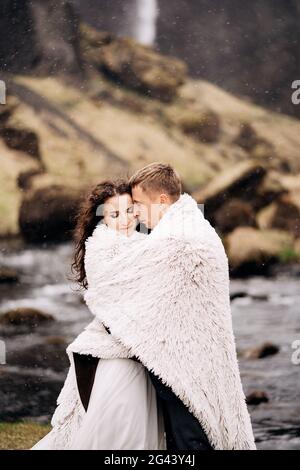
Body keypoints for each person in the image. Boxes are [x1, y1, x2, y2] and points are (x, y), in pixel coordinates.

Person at [84, 162, 256, 450]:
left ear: (162, 200)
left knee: (189, 437)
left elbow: (140, 288)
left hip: (184, 360)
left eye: (138, 203)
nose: (135, 212)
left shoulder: (177, 237)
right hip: (187, 355)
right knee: (186, 433)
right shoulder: (189, 226)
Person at [31, 179, 166, 450]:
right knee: (119, 431)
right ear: (102, 218)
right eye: (114, 214)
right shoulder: (101, 249)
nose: (125, 219)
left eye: (130, 211)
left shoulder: (146, 241)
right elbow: (118, 303)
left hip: (144, 350)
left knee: (142, 431)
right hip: (117, 348)